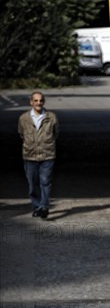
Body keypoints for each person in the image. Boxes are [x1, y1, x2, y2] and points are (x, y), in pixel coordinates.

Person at [18, 91, 59, 219]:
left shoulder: (51, 117)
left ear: (43, 102)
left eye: (40, 100)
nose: (38, 103)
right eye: (35, 101)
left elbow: (56, 133)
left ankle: (44, 207)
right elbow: (21, 134)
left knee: (45, 181)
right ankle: (36, 206)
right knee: (33, 183)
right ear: (31, 102)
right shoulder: (23, 118)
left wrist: (47, 143)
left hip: (47, 155)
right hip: (30, 156)